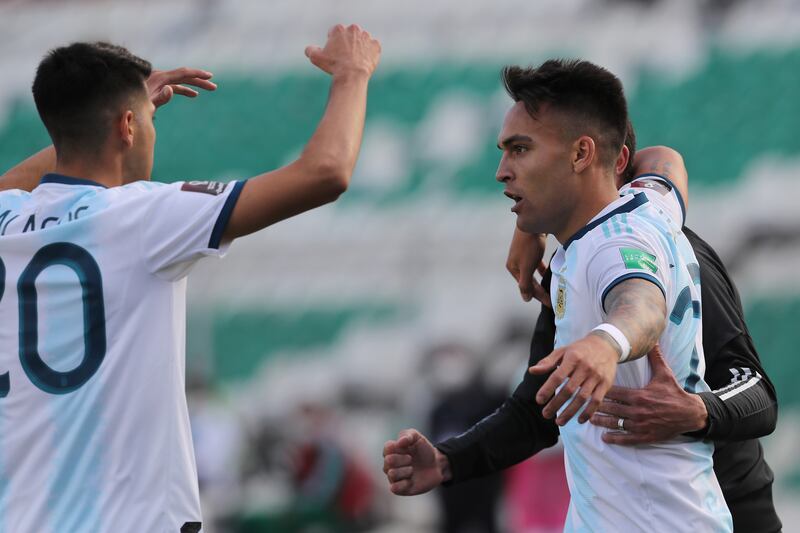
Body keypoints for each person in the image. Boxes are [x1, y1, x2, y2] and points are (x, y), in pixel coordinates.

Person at [0, 26, 380, 533]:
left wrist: (102, 122)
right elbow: (325, 173)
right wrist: (353, 75)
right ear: (129, 127)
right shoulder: (141, 214)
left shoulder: (6, 214)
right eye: (149, 121)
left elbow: (19, 179)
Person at [384, 59, 733, 531]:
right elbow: (664, 158)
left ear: (581, 154)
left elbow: (642, 303)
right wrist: (448, 461)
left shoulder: (612, 244)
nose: (501, 172)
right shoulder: (648, 204)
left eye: (520, 150)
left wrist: (604, 343)